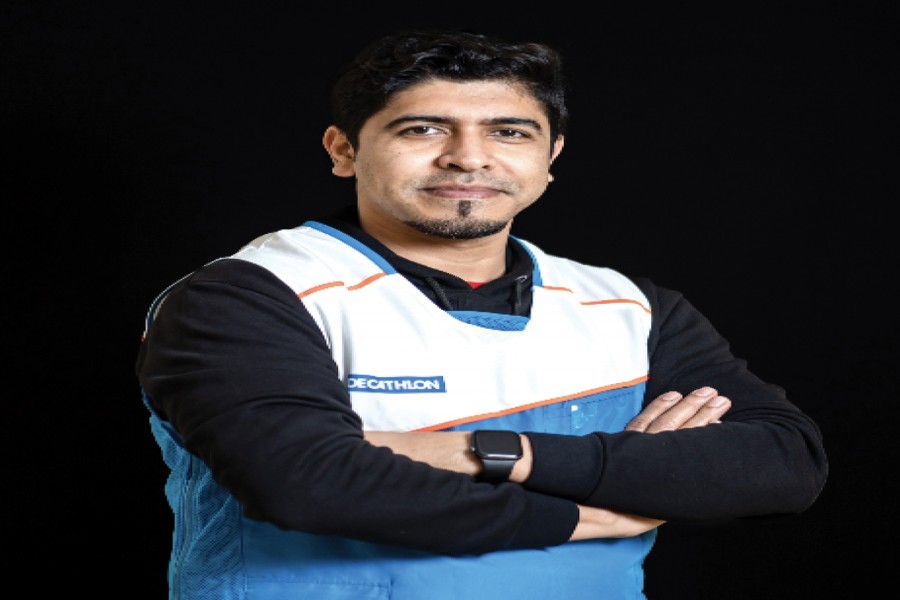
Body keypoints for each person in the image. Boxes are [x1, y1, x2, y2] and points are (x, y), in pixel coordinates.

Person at [136, 28, 828, 600]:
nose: (468, 158)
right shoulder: (249, 296)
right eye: (422, 128)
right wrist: (595, 507)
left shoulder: (628, 307)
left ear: (551, 157)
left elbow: (782, 464)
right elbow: (306, 485)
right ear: (343, 150)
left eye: (509, 132)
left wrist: (490, 453)